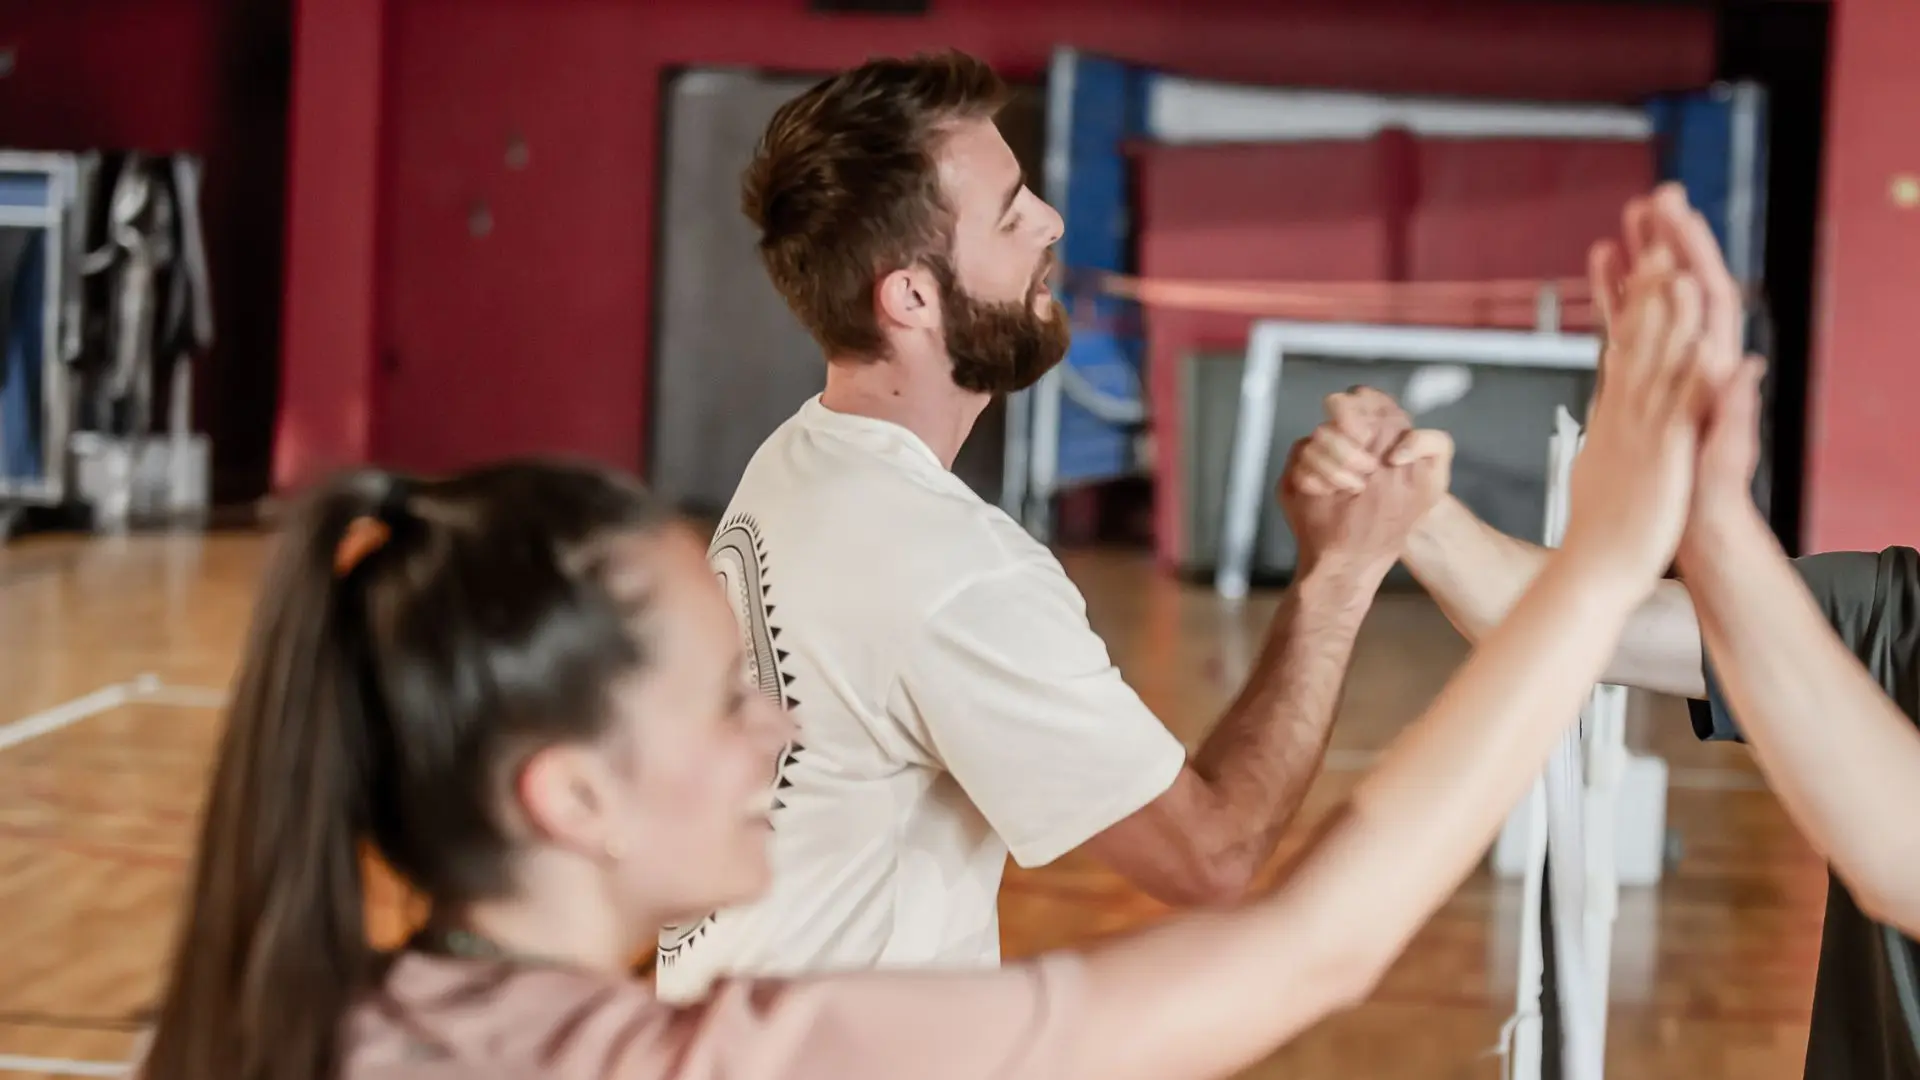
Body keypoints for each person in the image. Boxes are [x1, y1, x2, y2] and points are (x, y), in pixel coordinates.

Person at [136, 221, 1724, 1079]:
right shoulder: (756, 1057)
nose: (779, 729)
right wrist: (1594, 576)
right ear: (568, 798)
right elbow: (1292, 938)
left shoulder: (298, 1027)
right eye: (724, 697)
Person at [662, 47, 1434, 1000]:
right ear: (910, 296)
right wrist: (1339, 577)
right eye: (1011, 212)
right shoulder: (950, 567)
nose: (1051, 223)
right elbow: (1212, 855)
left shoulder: (791, 462)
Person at [1290, 183, 1920, 1080]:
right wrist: (1410, 507)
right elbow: (1588, 622)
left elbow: (1905, 854)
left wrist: (1706, 512)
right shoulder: (1898, 605)